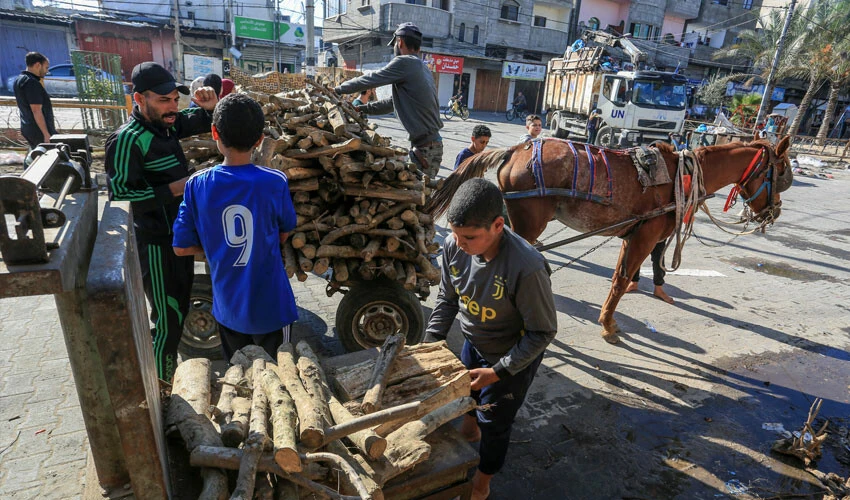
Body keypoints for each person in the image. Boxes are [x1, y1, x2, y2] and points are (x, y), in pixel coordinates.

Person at [424, 178, 557, 500]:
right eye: (455, 235)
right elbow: (447, 299)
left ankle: (482, 483)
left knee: (495, 425)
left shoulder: (526, 267)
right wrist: (429, 343)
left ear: (498, 225)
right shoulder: (454, 245)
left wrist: (498, 372)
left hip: (511, 359)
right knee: (467, 394)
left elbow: (542, 332)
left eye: (469, 237)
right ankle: (470, 430)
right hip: (474, 342)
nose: (459, 244)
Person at [105, 62, 219, 381]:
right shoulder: (127, 140)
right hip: (155, 245)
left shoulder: (167, 124)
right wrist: (177, 187)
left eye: (175, 99)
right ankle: (161, 387)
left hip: (178, 240)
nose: (173, 107)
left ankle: (165, 381)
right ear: (139, 99)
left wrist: (211, 107)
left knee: (178, 312)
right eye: (164, 100)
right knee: (167, 322)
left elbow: (200, 119)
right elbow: (121, 195)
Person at [172, 93, 298, 360]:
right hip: (273, 308)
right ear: (260, 140)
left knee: (239, 375)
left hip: (229, 309)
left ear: (214, 132)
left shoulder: (197, 184)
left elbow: (181, 248)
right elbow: (284, 233)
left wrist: (215, 248)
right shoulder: (275, 181)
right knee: (283, 373)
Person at [334, 22, 443, 178]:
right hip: (430, 146)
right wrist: (362, 109)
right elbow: (392, 103)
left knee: (416, 191)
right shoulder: (422, 67)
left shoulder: (405, 62)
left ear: (400, 42)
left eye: (395, 45)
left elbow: (371, 79)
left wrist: (337, 90)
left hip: (426, 149)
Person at [13, 52, 57, 149]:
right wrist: (46, 133)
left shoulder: (19, 80)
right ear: (38, 65)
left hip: (29, 127)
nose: (47, 71)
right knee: (49, 155)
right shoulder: (32, 82)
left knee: (37, 154)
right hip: (38, 130)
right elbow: (36, 110)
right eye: (46, 67)